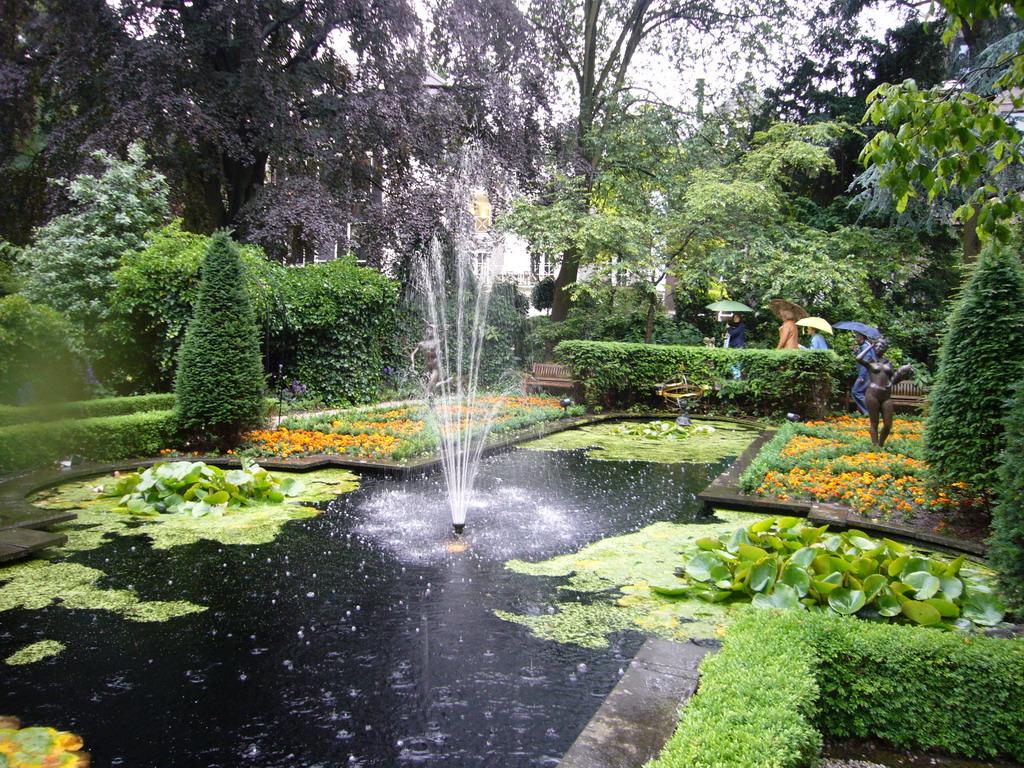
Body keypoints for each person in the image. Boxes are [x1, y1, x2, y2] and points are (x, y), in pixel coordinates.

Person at [856, 337, 914, 446]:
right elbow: (858, 359)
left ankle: (881, 445)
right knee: (874, 423)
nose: (878, 348)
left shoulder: (889, 364)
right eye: (876, 346)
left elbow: (893, 380)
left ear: (885, 349)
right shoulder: (870, 362)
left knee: (888, 425)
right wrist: (869, 347)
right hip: (872, 394)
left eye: (881, 346)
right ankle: (875, 446)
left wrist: (903, 374)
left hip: (886, 396)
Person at [410, 325, 451, 398]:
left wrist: (446, 331)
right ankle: (445, 382)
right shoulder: (421, 344)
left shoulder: (437, 342)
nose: (430, 331)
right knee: (429, 387)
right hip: (427, 367)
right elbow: (413, 354)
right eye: (428, 329)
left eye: (432, 330)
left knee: (429, 387)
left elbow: (444, 340)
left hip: (436, 366)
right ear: (425, 331)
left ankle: (430, 398)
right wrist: (412, 363)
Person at [850, 332, 875, 415]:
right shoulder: (865, 346)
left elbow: (865, 362)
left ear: (861, 337)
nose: (856, 338)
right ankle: (864, 413)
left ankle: (868, 413)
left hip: (866, 374)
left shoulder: (865, 346)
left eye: (857, 336)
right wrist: (856, 352)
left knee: (856, 392)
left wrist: (861, 376)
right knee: (862, 393)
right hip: (868, 373)